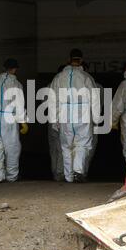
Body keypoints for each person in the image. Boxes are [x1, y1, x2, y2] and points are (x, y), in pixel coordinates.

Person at [50, 49, 99, 183]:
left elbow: (52, 100)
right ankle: (78, 172)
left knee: (66, 147)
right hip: (82, 113)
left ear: (68, 59)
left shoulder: (59, 77)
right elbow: (95, 99)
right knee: (82, 144)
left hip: (65, 114)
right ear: (81, 60)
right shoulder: (86, 77)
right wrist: (95, 118)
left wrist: (54, 120)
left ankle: (68, 176)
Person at [48, 65, 65, 181]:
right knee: (62, 148)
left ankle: (56, 172)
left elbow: (46, 103)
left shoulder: (50, 85)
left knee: (54, 149)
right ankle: (60, 173)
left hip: (51, 120)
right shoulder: (66, 85)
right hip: (61, 119)